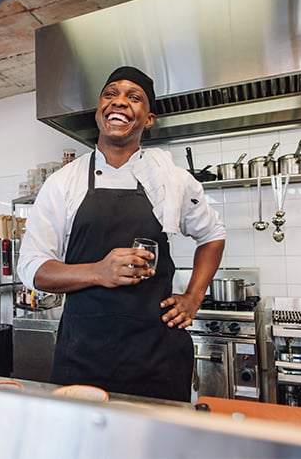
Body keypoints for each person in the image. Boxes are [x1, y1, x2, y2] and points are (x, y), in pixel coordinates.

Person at [17, 66, 225, 402]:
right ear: (100, 111)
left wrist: (194, 297)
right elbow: (31, 268)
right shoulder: (63, 183)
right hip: (84, 354)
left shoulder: (171, 180)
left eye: (134, 97)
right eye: (110, 94)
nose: (120, 102)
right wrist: (98, 271)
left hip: (157, 355)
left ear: (148, 118)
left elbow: (213, 233)